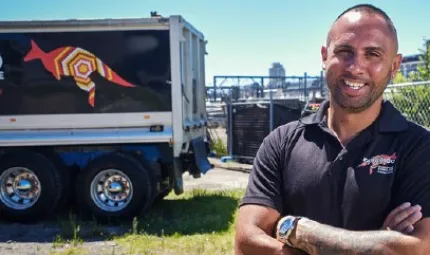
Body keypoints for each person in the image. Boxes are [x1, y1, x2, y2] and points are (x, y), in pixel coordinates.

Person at [235, 4, 430, 255]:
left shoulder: (419, 148)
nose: (355, 66)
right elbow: (246, 243)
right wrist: (377, 244)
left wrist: (297, 231)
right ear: (325, 56)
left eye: (372, 54)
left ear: (394, 66)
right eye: (345, 51)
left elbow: (421, 248)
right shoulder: (281, 142)